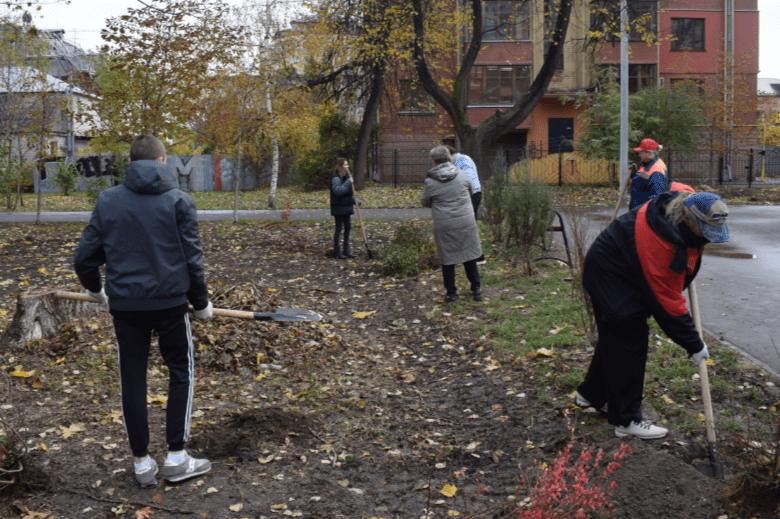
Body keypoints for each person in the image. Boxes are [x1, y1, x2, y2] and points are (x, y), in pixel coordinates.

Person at [74, 135, 213, 487]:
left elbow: (84, 258)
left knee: (132, 380)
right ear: (163, 162)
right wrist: (200, 303)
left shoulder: (107, 200)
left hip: (126, 308)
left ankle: (142, 464)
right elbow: (192, 259)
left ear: (131, 164)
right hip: (170, 305)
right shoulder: (180, 201)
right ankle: (177, 459)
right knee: (180, 372)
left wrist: (95, 288)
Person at [575, 190, 728, 439]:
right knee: (629, 336)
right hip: (610, 275)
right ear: (688, 219)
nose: (709, 239)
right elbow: (667, 304)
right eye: (705, 231)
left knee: (614, 339)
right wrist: (693, 343)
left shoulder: (686, 201)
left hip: (625, 267)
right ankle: (626, 421)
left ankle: (589, 395)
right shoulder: (660, 242)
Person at [421, 146, 483, 302]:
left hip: (444, 224)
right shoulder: (462, 175)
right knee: (469, 255)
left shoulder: (430, 182)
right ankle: (476, 289)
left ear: (434, 162)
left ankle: (451, 293)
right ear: (448, 158)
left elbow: (425, 202)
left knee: (447, 259)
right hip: (466, 221)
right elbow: (470, 191)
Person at [445, 145, 486, 265]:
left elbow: (467, 180)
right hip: (467, 195)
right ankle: (470, 255)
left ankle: (478, 257)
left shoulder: (463, 160)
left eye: (447, 158)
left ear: (451, 154)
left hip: (471, 195)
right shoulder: (457, 161)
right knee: (465, 226)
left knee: (468, 226)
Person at [629, 138, 668, 210]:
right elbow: (644, 182)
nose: (639, 155)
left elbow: (656, 199)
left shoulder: (657, 171)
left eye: (641, 152)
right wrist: (635, 175)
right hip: (638, 209)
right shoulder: (648, 164)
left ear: (649, 153)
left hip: (643, 212)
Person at [330, 158, 356, 259]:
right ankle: (337, 252)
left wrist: (356, 201)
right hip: (338, 208)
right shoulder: (336, 178)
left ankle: (346, 251)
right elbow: (339, 191)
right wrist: (349, 182)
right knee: (339, 229)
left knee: (348, 228)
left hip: (346, 207)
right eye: (346, 165)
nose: (348, 167)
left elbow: (348, 194)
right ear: (341, 166)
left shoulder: (346, 177)